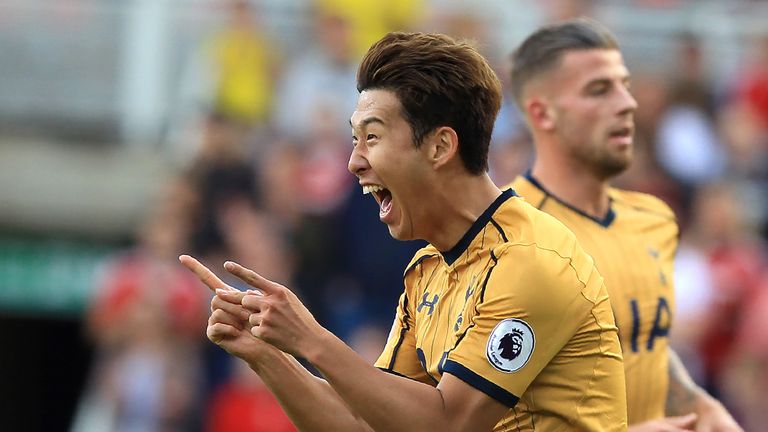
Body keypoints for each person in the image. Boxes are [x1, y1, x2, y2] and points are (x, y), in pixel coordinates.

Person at [181, 31, 627, 431]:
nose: (353, 161)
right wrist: (265, 354)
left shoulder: (532, 261)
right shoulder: (427, 268)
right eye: (354, 139)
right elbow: (368, 422)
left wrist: (311, 339)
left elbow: (447, 426)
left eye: (371, 138)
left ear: (439, 146)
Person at [502, 18, 742, 431]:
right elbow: (471, 413)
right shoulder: (505, 234)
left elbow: (646, 342)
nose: (627, 103)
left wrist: (703, 407)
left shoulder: (654, 218)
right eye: (600, 89)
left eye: (624, 85)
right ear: (543, 113)